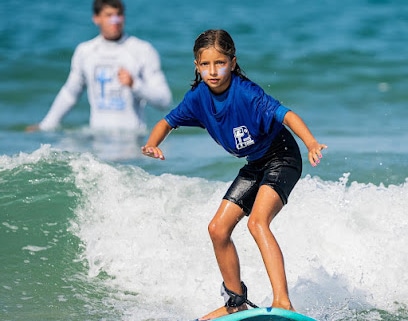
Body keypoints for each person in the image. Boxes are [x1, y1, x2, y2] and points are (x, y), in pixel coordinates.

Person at [141, 29, 327, 320]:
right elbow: (167, 121)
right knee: (217, 229)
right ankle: (235, 302)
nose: (213, 71)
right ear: (196, 66)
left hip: (282, 157)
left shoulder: (246, 93)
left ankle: (283, 301)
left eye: (220, 63)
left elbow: (286, 114)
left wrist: (311, 143)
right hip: (255, 163)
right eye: (205, 65)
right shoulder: (198, 98)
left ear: (232, 61)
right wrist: (153, 144)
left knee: (257, 223)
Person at [28, 0, 172, 133]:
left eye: (119, 15)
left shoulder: (143, 50)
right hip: (97, 140)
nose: (115, 20)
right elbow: (69, 94)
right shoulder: (85, 51)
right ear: (96, 18)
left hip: (132, 140)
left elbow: (164, 100)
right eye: (109, 15)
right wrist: (45, 126)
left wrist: (135, 84)